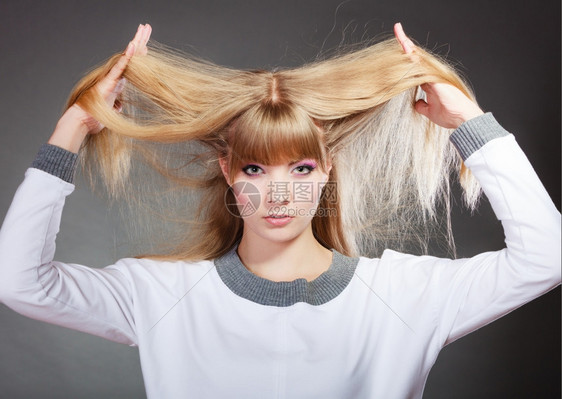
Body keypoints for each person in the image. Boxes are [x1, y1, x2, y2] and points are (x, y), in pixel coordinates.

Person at [0, 22, 559, 398]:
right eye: (253, 170)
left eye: (300, 169)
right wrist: (72, 130)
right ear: (227, 173)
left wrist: (471, 125)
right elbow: (19, 282)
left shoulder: (406, 293)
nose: (277, 194)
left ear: (327, 170)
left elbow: (547, 258)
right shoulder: (160, 294)